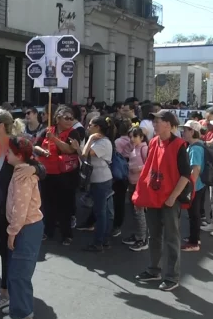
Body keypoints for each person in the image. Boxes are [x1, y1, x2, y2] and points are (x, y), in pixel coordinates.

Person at [0, 109, 45, 310]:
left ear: (0, 126)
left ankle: (5, 292)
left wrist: (33, 168)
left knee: (6, 251)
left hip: (7, 210)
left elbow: (41, 168)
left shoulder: (17, 145)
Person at [132, 110, 191, 292]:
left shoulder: (179, 145)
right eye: (154, 121)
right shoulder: (153, 142)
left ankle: (172, 277)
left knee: (171, 238)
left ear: (168, 124)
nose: (154, 124)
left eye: (157, 121)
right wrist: (141, 194)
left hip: (170, 200)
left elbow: (186, 175)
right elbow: (148, 170)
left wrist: (173, 197)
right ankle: (153, 270)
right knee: (154, 235)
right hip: (154, 197)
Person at [3, 137, 44, 319]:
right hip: (25, 226)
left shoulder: (22, 175)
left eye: (9, 152)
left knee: (19, 273)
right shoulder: (21, 171)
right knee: (16, 270)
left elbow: (20, 208)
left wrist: (12, 232)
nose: (6, 154)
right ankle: (17, 305)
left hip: (26, 227)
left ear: (19, 155)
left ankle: (22, 312)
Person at [34, 106, 81, 245]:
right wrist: (43, 151)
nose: (70, 121)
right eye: (66, 118)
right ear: (58, 118)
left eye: (72, 118)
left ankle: (66, 234)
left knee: (64, 205)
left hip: (65, 175)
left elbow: (69, 149)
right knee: (47, 204)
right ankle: (48, 230)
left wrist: (54, 139)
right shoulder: (47, 130)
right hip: (48, 173)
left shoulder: (73, 133)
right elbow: (36, 146)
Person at [81, 116, 116, 252]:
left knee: (101, 213)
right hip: (98, 179)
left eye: (90, 125)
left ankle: (99, 242)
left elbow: (85, 154)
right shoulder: (99, 141)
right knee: (104, 212)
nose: (88, 127)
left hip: (102, 180)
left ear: (98, 127)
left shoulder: (103, 142)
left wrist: (89, 139)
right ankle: (104, 240)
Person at [122, 126, 149, 252]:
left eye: (135, 136)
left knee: (139, 212)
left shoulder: (144, 148)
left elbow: (150, 165)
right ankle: (138, 235)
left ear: (141, 137)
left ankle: (142, 239)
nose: (132, 139)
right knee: (135, 212)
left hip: (140, 184)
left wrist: (138, 169)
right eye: (131, 137)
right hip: (132, 183)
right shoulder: (134, 148)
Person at [181, 120, 206, 252]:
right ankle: (195, 237)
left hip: (195, 187)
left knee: (194, 215)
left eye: (185, 130)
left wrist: (190, 188)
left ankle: (194, 243)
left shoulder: (195, 148)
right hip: (199, 186)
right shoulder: (197, 145)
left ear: (192, 132)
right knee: (195, 214)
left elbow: (195, 170)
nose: (183, 132)